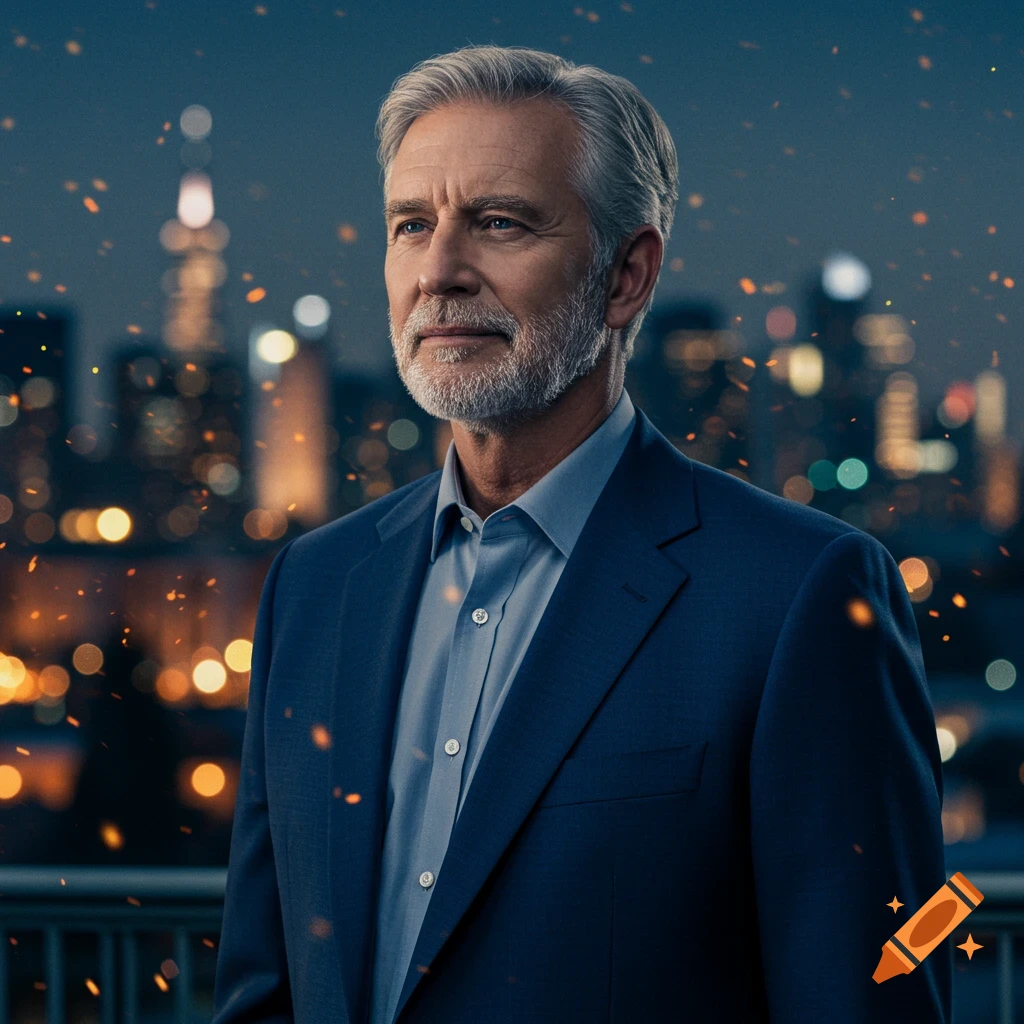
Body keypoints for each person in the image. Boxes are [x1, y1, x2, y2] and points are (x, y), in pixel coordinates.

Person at [212, 44, 951, 1024]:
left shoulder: (796, 593)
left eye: (500, 222)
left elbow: (869, 993)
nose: (438, 271)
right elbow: (265, 985)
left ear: (626, 276)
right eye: (409, 226)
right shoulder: (316, 583)